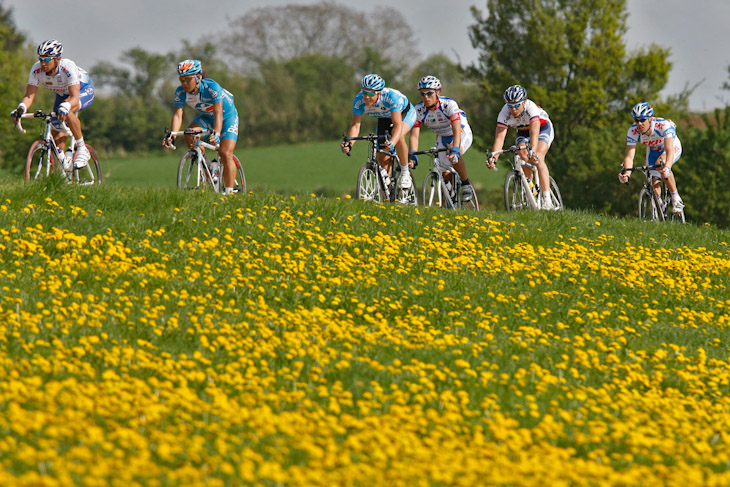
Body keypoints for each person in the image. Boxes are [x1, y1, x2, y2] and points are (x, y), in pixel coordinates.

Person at [10, 39, 94, 170]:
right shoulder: (36, 69)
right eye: (41, 59)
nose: (43, 63)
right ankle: (62, 173)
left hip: (82, 90)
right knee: (56, 133)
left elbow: (74, 96)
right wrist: (21, 108)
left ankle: (82, 149)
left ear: (57, 58)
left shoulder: (67, 67)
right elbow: (29, 95)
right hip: (62, 95)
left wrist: (66, 106)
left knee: (68, 109)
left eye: (47, 59)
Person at [163, 59, 240, 195]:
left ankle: (229, 193)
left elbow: (218, 113)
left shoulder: (211, 87)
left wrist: (216, 133)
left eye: (188, 79)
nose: (184, 83)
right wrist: (173, 134)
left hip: (227, 117)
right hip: (207, 117)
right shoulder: (180, 92)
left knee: (225, 153)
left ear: (198, 77)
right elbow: (178, 115)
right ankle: (208, 167)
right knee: (189, 133)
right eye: (181, 79)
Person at [340, 73, 417, 191]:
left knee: (399, 137)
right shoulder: (359, 100)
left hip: (404, 114)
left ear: (379, 93)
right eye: (364, 92)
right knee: (382, 155)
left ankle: (405, 172)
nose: (366, 97)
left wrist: (392, 142)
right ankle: (387, 190)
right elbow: (355, 126)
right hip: (384, 117)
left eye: (371, 93)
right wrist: (350, 144)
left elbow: (397, 125)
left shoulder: (391, 97)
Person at [486, 84, 556, 209]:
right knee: (522, 156)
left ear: (524, 102)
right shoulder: (504, 113)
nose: (513, 109)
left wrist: (533, 151)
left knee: (538, 158)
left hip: (542, 129)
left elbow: (534, 134)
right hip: (522, 131)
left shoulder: (531, 108)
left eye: (517, 105)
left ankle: (547, 199)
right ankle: (531, 187)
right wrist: (494, 157)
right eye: (510, 106)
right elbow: (500, 138)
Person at [408, 75, 474, 202]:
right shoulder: (418, 110)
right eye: (422, 94)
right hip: (443, 136)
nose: (426, 97)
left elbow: (456, 129)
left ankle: (466, 184)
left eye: (429, 93)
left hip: (461, 132)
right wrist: (413, 154)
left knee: (454, 155)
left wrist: (455, 148)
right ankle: (449, 199)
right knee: (444, 171)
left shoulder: (448, 104)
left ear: (438, 92)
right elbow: (414, 134)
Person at [618, 102, 684, 213]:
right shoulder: (632, 131)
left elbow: (669, 150)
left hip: (671, 147)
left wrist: (667, 167)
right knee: (653, 180)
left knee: (661, 166)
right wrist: (627, 174)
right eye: (636, 120)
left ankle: (676, 198)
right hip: (653, 149)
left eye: (642, 120)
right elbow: (629, 156)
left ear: (650, 119)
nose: (639, 124)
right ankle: (659, 208)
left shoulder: (663, 125)